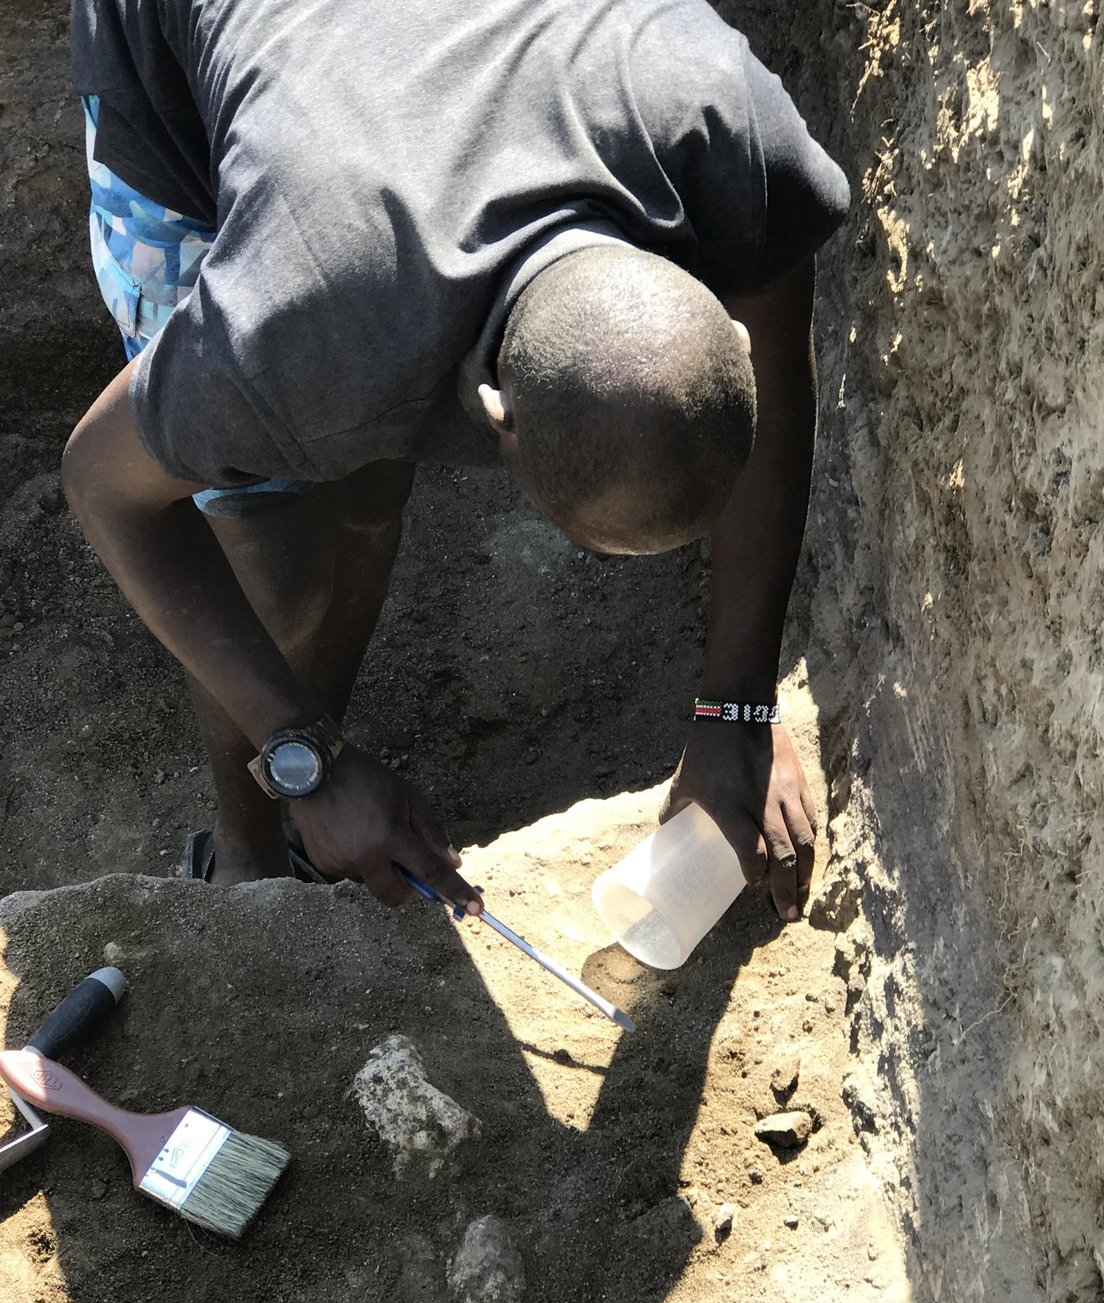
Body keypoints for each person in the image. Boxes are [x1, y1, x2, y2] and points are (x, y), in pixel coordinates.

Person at [62, 0, 849, 921]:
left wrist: (739, 706)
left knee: (365, 491)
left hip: (377, 128)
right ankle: (248, 858)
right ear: (492, 413)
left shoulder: (728, 131)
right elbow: (104, 483)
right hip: (178, 71)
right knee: (280, 560)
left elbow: (775, 376)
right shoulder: (292, 320)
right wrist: (305, 760)